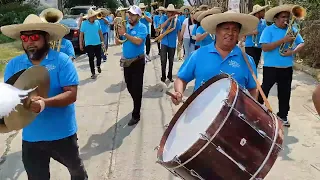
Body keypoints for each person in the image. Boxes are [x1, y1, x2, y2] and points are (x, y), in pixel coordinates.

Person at [1, 14, 88, 179]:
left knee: (78, 174)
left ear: (46, 37)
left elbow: (71, 94)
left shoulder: (62, 61)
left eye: (34, 37)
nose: (29, 42)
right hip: (32, 138)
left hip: (63, 134)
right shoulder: (14, 64)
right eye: (24, 38)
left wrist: (45, 103)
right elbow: (8, 96)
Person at [171, 10, 259, 105]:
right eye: (226, 28)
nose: (230, 33)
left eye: (235, 30)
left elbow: (253, 88)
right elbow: (181, 79)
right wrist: (179, 93)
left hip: (234, 117)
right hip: (200, 115)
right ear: (216, 31)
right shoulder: (198, 55)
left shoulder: (247, 60)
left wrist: (250, 108)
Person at [258, 4, 305, 127]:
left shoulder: (292, 30)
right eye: (283, 17)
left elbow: (301, 43)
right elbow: (265, 47)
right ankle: (256, 111)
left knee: (285, 93)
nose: (286, 20)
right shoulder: (268, 30)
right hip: (271, 67)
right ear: (275, 19)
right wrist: (283, 41)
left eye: (288, 17)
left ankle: (283, 116)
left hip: (286, 68)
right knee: (264, 90)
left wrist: (293, 51)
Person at [115, 5, 147, 126]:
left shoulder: (142, 27)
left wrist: (125, 34)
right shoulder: (125, 26)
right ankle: (137, 103)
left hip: (138, 62)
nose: (130, 16)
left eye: (133, 14)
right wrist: (118, 33)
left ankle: (136, 114)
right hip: (127, 62)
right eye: (129, 14)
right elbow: (118, 42)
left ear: (138, 16)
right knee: (129, 86)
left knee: (137, 88)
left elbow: (138, 41)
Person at [79, 8, 105, 79]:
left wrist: (103, 41)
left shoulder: (97, 22)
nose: (95, 17)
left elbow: (100, 32)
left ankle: (98, 66)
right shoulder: (84, 24)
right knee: (91, 58)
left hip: (97, 43)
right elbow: (81, 35)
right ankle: (93, 73)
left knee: (99, 56)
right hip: (89, 44)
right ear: (90, 17)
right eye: (94, 16)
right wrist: (81, 44)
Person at [159, 4, 182, 83]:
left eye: (171, 12)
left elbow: (179, 31)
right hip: (164, 42)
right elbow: (162, 26)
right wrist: (169, 19)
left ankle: (170, 75)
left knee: (171, 61)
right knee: (163, 60)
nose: (169, 13)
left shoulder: (177, 21)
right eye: (168, 12)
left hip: (172, 43)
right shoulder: (163, 18)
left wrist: (179, 41)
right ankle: (163, 76)